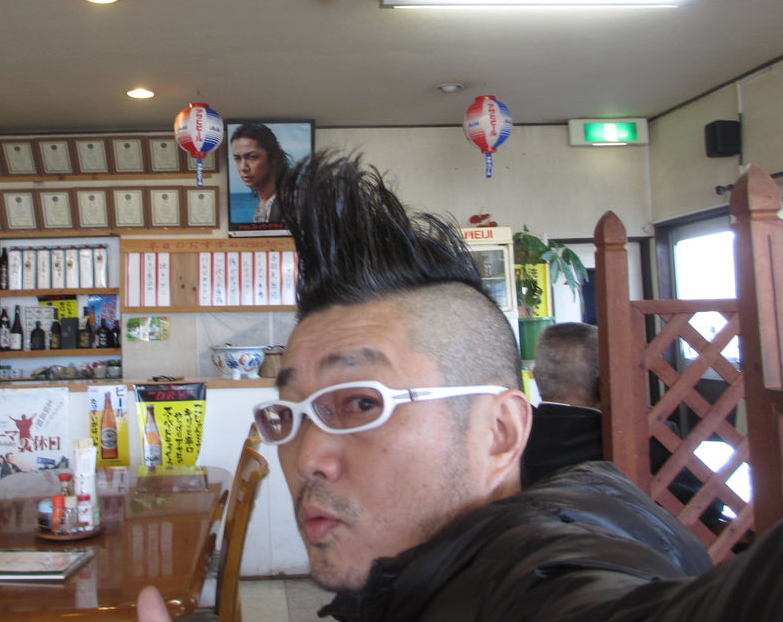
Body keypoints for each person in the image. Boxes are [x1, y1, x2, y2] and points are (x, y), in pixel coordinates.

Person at [139, 152, 782, 622]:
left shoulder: (531, 582)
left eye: (360, 403)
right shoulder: (415, 582)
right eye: (293, 413)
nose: (307, 458)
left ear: (500, 430)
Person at [523, 322, 724, 533]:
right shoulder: (648, 437)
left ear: (535, 376)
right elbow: (707, 508)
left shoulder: (514, 438)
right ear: (605, 383)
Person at [229, 122, 291, 223]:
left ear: (273, 157)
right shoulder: (264, 201)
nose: (243, 167)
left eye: (252, 157)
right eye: (237, 158)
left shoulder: (288, 203)